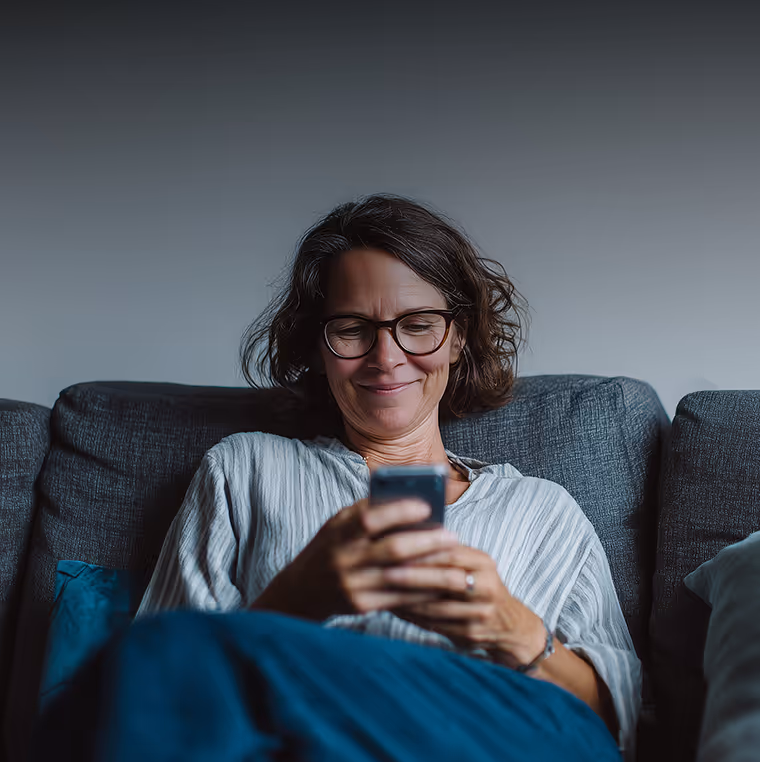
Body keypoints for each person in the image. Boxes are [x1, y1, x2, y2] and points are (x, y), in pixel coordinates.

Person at [34, 194, 641, 761]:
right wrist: (298, 599)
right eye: (352, 329)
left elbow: (619, 724)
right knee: (153, 657)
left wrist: (521, 634)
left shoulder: (543, 509)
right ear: (319, 347)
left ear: (456, 338)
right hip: (305, 735)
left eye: (419, 323)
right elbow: (161, 685)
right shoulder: (246, 469)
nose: (386, 356)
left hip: (485, 730)